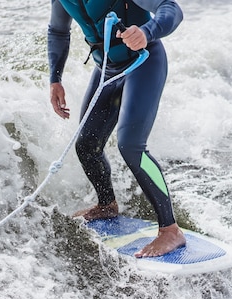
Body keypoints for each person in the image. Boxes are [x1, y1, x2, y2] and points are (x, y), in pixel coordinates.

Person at [47, 0, 186, 258]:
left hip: (144, 62)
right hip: (107, 70)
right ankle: (107, 204)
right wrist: (55, 79)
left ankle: (170, 230)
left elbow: (171, 8)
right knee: (87, 145)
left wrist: (147, 31)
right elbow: (58, 31)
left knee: (131, 146)